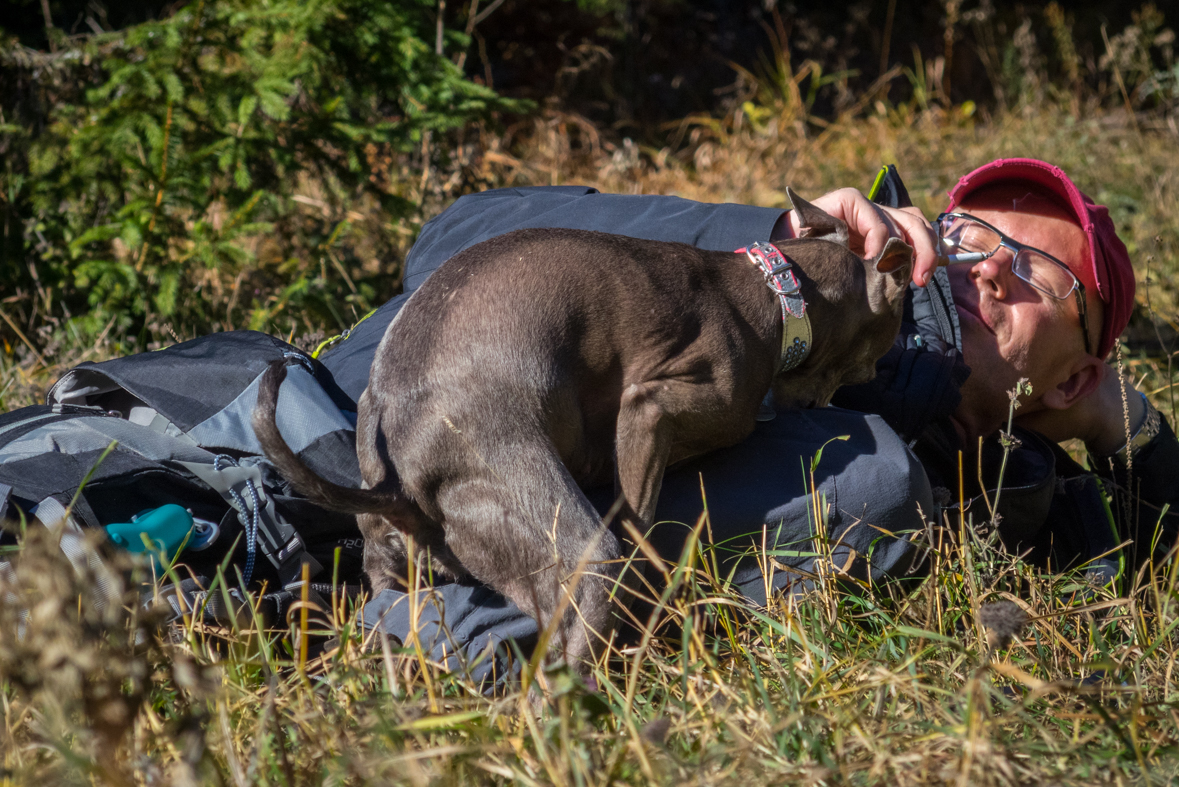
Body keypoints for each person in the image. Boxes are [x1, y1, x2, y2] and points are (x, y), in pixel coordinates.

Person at [316, 159, 1176, 679]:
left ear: (1075, 376)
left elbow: (1153, 559)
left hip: (318, 548)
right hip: (298, 426)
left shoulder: (965, 501)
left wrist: (1117, 422)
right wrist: (764, 246)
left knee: (876, 478)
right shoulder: (749, 279)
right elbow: (454, 231)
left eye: (1030, 274)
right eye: (965, 236)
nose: (982, 269)